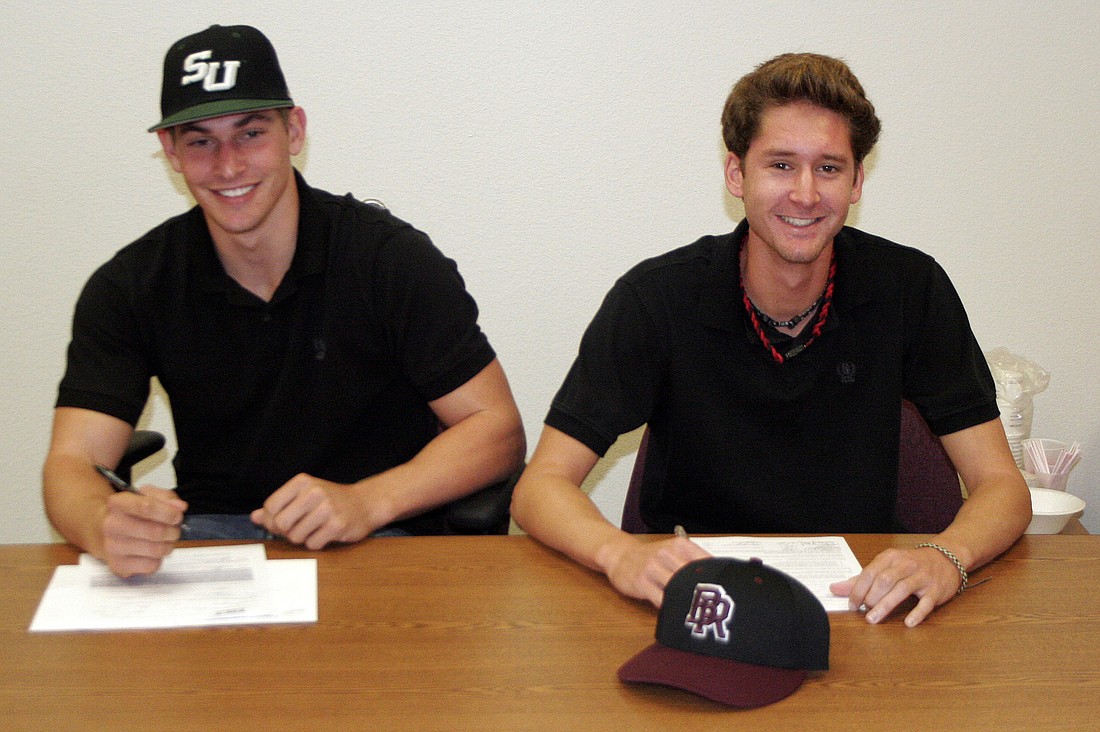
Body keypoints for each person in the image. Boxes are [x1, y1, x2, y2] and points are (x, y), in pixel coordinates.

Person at [510, 52, 1030, 628]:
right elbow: (541, 487)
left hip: (858, 607)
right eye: (781, 165)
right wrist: (618, 553)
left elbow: (1002, 487)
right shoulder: (657, 299)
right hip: (696, 609)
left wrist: (946, 557)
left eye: (829, 168)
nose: (805, 194)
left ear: (858, 181)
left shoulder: (910, 289)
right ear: (737, 174)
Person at [43, 25, 525, 578]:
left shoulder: (387, 259)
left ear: (293, 130)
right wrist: (102, 522)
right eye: (200, 141)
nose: (228, 166)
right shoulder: (132, 284)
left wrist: (367, 501)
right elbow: (71, 463)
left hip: (379, 538)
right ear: (170, 152)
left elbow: (497, 430)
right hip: (212, 547)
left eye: (250, 133)